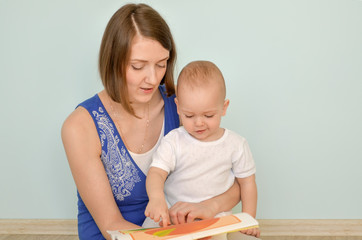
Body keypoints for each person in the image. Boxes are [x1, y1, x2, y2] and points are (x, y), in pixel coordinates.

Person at [61, 4, 241, 240]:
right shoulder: (80, 126)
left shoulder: (181, 108)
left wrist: (209, 208)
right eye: (138, 66)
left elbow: (235, 183)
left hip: (177, 233)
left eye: (161, 64)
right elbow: (111, 224)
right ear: (113, 61)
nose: (153, 79)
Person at [144, 60, 260, 238]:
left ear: (224, 107)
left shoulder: (236, 145)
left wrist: (249, 218)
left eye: (208, 115)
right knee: (150, 230)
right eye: (189, 115)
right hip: (172, 213)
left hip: (213, 218)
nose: (199, 123)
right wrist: (156, 198)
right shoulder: (174, 140)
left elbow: (248, 183)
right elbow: (156, 173)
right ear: (178, 107)